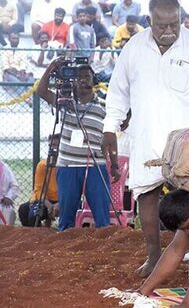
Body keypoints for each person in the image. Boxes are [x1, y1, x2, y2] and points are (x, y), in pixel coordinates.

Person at [102, 0, 189, 278]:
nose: (170, 30)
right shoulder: (133, 48)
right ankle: (154, 257)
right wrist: (110, 127)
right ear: (149, 22)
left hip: (188, 141)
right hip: (147, 135)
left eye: (175, 23)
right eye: (162, 25)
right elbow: (118, 92)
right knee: (146, 196)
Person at [36, 57, 111, 231]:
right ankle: (65, 254)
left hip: (95, 165)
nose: (83, 80)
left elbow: (121, 123)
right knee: (66, 216)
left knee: (102, 217)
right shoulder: (65, 102)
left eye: (87, 76)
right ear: (73, 81)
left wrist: (113, 163)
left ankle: (106, 253)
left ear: (94, 80)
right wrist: (51, 68)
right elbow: (41, 91)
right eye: (78, 76)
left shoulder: (104, 106)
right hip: (68, 165)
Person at [18, 134, 60, 227]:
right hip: (47, 201)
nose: (52, 148)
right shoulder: (43, 165)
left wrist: (60, 203)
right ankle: (39, 237)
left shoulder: (67, 166)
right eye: (50, 145)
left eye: (55, 145)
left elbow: (72, 190)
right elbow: (39, 190)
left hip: (64, 200)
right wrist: (50, 206)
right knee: (27, 212)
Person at [0, 159, 19, 225]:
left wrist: (9, 197)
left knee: (8, 211)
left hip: (2, 203)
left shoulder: (4, 168)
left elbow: (14, 186)